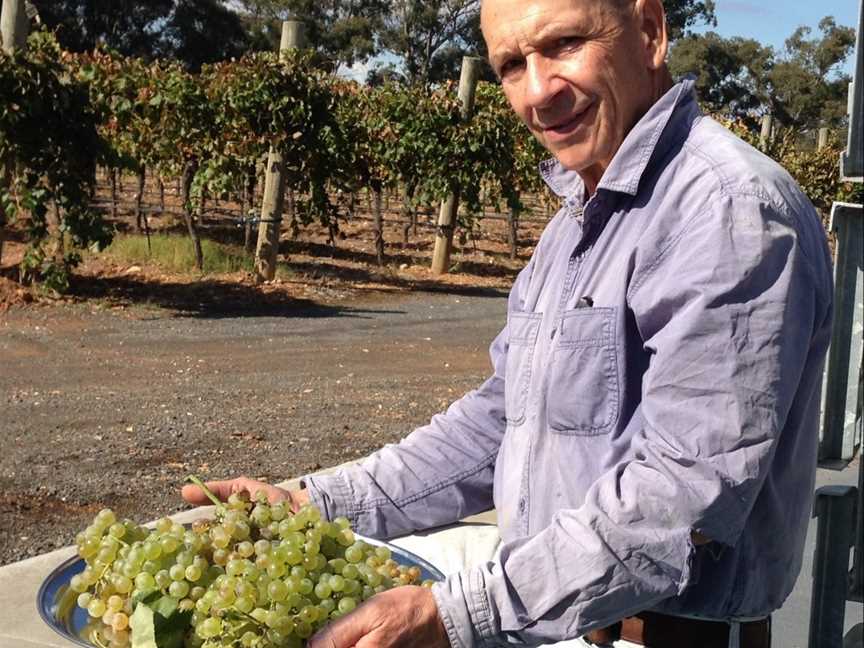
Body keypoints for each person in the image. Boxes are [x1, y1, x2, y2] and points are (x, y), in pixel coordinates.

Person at [183, 0, 835, 645]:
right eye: (510, 66)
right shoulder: (576, 222)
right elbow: (502, 421)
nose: (539, 90)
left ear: (649, 31)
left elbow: (679, 495)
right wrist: (314, 504)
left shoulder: (723, 210)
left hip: (663, 637)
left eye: (565, 44)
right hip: (563, 623)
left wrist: (455, 614)